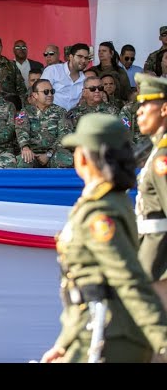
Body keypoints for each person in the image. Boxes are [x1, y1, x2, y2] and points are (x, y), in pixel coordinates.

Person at [41, 114, 167, 363]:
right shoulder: (109, 201)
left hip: (107, 336)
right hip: (90, 330)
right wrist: (65, 342)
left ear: (85, 157)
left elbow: (128, 279)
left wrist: (162, 339)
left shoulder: (101, 211)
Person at [134, 73, 167, 308]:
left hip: (159, 259)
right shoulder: (155, 152)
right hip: (151, 251)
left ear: (164, 109)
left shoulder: (162, 158)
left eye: (146, 104)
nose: (139, 111)